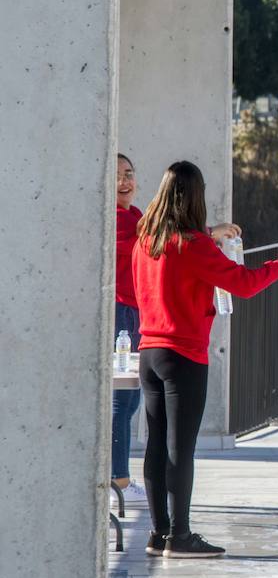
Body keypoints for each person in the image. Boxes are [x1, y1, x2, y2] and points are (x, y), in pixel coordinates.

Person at [133, 161, 278, 557]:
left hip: (148, 352)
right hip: (184, 356)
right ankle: (182, 534)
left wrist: (213, 233)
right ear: (195, 196)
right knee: (181, 449)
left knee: (156, 445)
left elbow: (181, 249)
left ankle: (158, 534)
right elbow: (242, 284)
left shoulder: (148, 239)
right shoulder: (194, 246)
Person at [112, 154, 146, 505]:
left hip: (136, 312)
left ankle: (119, 477)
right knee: (121, 400)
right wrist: (208, 234)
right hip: (122, 312)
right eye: (118, 175)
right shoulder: (117, 219)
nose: (125, 181)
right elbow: (151, 245)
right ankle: (117, 481)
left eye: (129, 174)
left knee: (132, 398)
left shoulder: (135, 215)